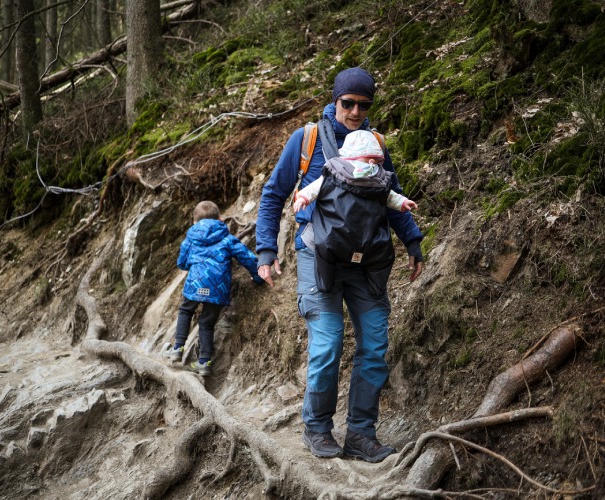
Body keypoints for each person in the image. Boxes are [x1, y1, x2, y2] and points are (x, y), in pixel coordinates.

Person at [255, 67, 424, 463]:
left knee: (375, 344)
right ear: (335, 101)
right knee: (328, 342)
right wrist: (266, 251)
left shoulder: (376, 143)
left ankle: (362, 435)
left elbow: (389, 195)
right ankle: (317, 428)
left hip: (368, 259)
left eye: (364, 105)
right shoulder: (307, 140)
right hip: (319, 256)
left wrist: (413, 240)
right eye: (348, 103)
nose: (355, 111)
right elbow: (273, 195)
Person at [292, 129, 418, 298]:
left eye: (376, 161)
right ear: (350, 158)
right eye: (367, 159)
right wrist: (302, 198)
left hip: (369, 239)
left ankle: (376, 287)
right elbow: (316, 187)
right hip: (335, 235)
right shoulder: (334, 172)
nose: (372, 163)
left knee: (383, 257)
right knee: (325, 250)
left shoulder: (379, 180)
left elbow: (389, 196)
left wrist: (402, 203)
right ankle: (325, 283)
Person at [163, 200, 263, 376]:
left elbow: (182, 263)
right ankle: (204, 362)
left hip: (195, 284)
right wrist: (257, 276)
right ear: (220, 218)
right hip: (218, 287)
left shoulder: (190, 239)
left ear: (194, 222)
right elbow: (246, 257)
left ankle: (177, 348)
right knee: (207, 323)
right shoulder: (227, 238)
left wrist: (193, 266)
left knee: (186, 311)